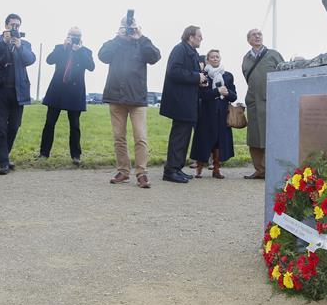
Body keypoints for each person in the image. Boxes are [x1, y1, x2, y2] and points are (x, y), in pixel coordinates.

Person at [98, 14, 161, 189]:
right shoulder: (115, 43)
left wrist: (140, 37)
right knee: (119, 137)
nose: (128, 30)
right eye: (125, 27)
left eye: (130, 26)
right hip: (116, 97)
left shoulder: (141, 44)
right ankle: (123, 171)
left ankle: (141, 173)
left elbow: (155, 56)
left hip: (137, 98)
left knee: (140, 137)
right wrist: (118, 37)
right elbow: (102, 56)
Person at [0, 13, 35, 175]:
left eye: (17, 25)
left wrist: (19, 46)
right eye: (12, 25)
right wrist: (4, 41)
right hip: (0, 91)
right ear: (6, 25)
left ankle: (3, 155)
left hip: (19, 91)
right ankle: (3, 162)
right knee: (1, 127)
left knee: (15, 126)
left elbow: (30, 59)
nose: (15, 27)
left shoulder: (25, 44)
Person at [38, 26, 95, 164]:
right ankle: (44, 153)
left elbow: (91, 67)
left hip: (75, 92)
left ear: (81, 37)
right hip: (57, 90)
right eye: (72, 35)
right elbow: (49, 60)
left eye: (77, 35)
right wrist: (64, 48)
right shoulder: (59, 48)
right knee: (50, 123)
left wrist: (79, 51)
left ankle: (76, 155)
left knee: (74, 125)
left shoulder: (86, 51)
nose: (74, 38)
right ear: (67, 35)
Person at [159, 26, 205, 183]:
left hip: (187, 101)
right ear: (190, 37)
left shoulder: (190, 52)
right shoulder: (180, 49)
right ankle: (170, 171)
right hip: (180, 101)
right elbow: (174, 71)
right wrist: (196, 76)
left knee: (184, 136)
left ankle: (177, 168)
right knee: (179, 136)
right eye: (199, 36)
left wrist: (200, 79)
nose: (201, 39)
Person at [241, 29, 284, 180]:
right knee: (254, 137)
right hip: (253, 102)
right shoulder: (246, 58)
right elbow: (248, 79)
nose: (258, 36)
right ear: (249, 40)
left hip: (271, 102)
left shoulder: (273, 55)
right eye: (254, 34)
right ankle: (259, 170)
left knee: (271, 136)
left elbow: (283, 75)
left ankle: (272, 169)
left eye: (260, 34)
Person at [189, 49, 237, 179]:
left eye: (217, 56)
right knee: (203, 140)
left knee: (219, 142)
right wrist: (217, 91)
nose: (215, 59)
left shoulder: (228, 76)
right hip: (206, 113)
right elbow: (201, 95)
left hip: (222, 113)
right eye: (212, 57)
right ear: (208, 60)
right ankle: (199, 167)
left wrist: (227, 93)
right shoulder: (203, 75)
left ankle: (216, 168)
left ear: (220, 59)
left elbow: (233, 96)